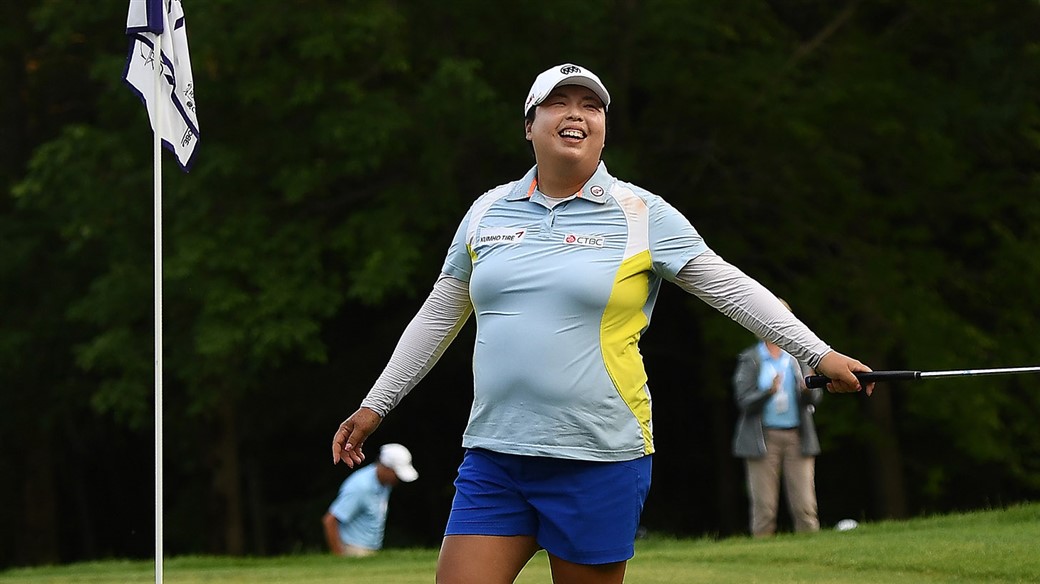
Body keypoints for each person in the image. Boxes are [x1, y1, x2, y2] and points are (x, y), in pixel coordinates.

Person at [331, 63, 873, 584]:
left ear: (604, 129)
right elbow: (440, 312)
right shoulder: (487, 209)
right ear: (529, 125)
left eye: (592, 105)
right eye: (559, 103)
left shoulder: (642, 212)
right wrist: (377, 403)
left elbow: (732, 289)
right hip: (496, 455)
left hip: (598, 455)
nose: (578, 113)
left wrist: (816, 353)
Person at [732, 298, 822, 537]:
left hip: (797, 437)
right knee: (765, 508)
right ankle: (762, 561)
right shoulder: (751, 358)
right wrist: (767, 392)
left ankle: (815, 556)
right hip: (763, 439)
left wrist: (807, 390)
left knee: (805, 506)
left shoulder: (798, 355)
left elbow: (815, 398)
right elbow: (743, 401)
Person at [322, 443, 419, 557]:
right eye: (396, 474)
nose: (398, 479)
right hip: (352, 550)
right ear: (386, 467)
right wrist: (340, 557)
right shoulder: (361, 487)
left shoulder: (385, 484)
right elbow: (330, 520)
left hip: (371, 550)